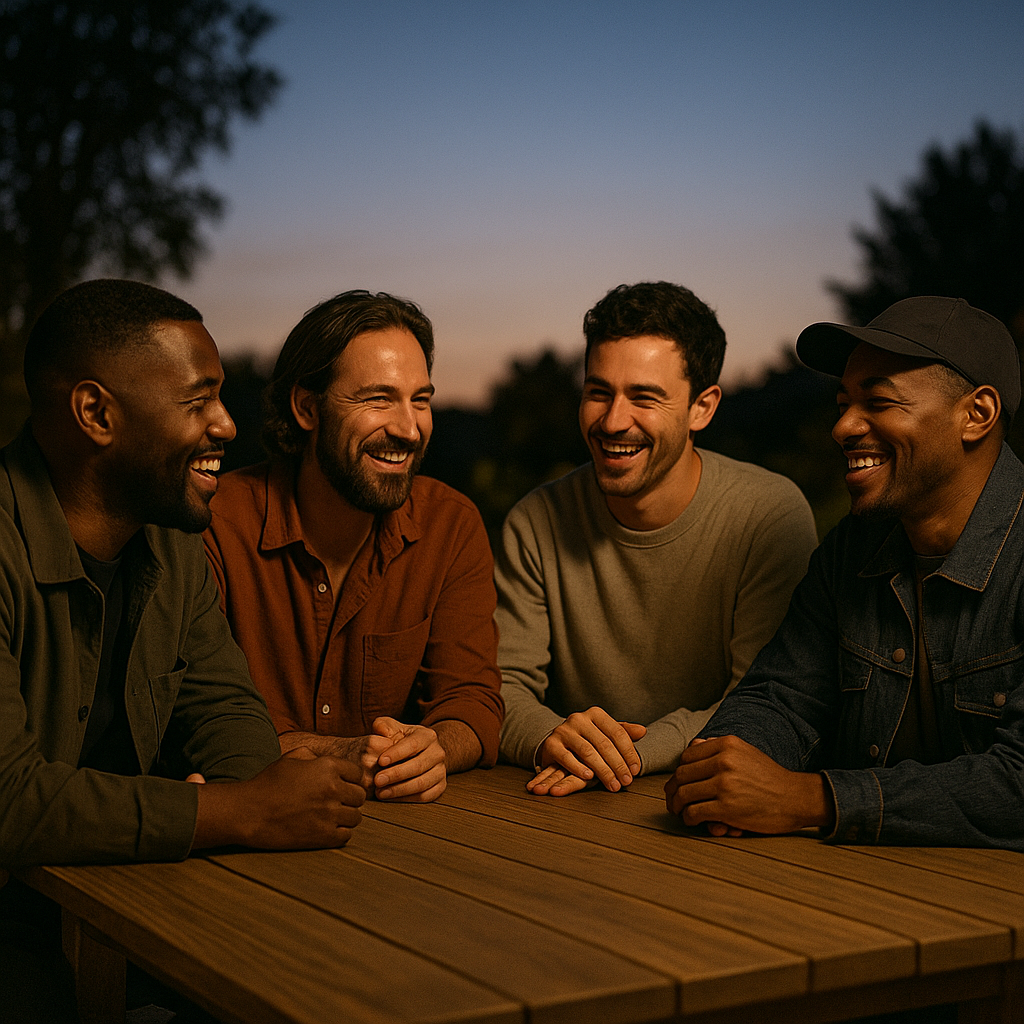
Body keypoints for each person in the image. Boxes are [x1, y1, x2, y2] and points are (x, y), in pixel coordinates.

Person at [0, 279, 366, 1020]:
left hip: (110, 906)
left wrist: (248, 797)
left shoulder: (170, 544)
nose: (227, 425)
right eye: (198, 402)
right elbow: (8, 802)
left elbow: (229, 718)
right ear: (96, 413)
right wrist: (227, 814)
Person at [666, 295, 1024, 849]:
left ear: (976, 415)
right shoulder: (853, 549)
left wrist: (812, 799)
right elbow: (782, 696)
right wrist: (722, 778)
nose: (843, 427)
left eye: (878, 402)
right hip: (858, 896)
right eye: (843, 402)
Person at [496, 281, 818, 796]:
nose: (613, 421)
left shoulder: (768, 515)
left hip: (701, 793)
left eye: (644, 398)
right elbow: (501, 687)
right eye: (598, 392)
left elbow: (765, 701)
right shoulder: (535, 522)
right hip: (566, 797)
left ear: (702, 408)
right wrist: (548, 735)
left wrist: (629, 755)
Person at [204, 290, 503, 804]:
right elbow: (200, 720)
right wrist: (344, 752)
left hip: (403, 839)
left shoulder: (451, 526)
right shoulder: (216, 523)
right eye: (378, 399)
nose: (409, 429)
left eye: (421, 399)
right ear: (306, 407)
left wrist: (436, 749)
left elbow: (471, 700)